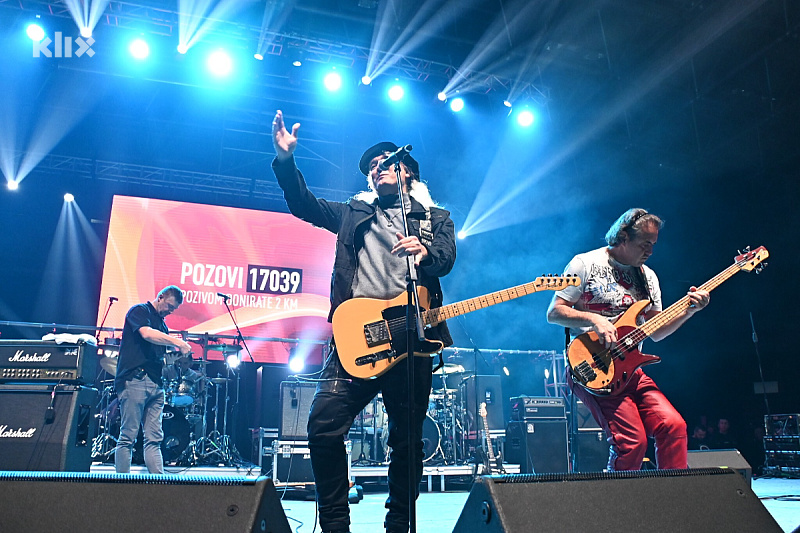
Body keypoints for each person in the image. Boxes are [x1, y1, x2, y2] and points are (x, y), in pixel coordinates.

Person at [271, 110, 456, 533]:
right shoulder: (355, 213)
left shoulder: (435, 218)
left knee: (407, 442)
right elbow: (304, 205)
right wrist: (285, 161)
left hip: (410, 341)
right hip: (355, 338)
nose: (375, 170)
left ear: (405, 171)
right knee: (322, 427)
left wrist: (426, 253)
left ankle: (399, 525)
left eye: (383, 163)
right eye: (370, 168)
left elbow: (445, 259)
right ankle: (336, 525)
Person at [546, 208, 710, 471]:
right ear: (622, 237)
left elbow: (657, 331)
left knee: (673, 426)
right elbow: (554, 312)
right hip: (594, 368)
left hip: (630, 370)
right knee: (632, 443)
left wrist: (689, 312)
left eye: (654, 245)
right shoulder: (585, 264)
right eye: (645, 244)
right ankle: (616, 507)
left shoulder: (648, 277)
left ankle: (675, 501)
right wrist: (594, 320)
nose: (650, 251)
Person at [114, 285, 192, 474]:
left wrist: (170, 359)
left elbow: (157, 355)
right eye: (170, 306)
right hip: (135, 380)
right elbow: (146, 334)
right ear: (161, 297)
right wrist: (178, 342)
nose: (170, 311)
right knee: (128, 436)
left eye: (174, 309)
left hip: (156, 384)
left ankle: (159, 484)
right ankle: (120, 486)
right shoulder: (140, 311)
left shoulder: (163, 325)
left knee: (155, 438)